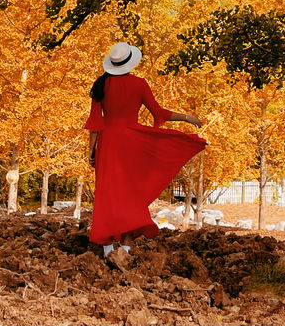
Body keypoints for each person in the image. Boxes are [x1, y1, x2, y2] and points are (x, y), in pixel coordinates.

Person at [85, 41, 206, 255]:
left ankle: (107, 248)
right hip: (132, 143)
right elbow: (159, 112)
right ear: (129, 63)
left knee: (107, 193)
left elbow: (95, 123)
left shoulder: (100, 85)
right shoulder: (139, 84)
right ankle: (127, 247)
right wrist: (187, 118)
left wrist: (91, 152)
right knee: (130, 194)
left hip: (109, 144)